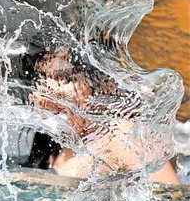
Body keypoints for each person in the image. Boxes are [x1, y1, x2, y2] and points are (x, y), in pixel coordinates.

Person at [25, 50, 179, 184]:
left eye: (65, 78)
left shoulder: (123, 137)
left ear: (97, 86)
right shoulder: (53, 143)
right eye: (40, 79)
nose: (49, 89)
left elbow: (169, 197)